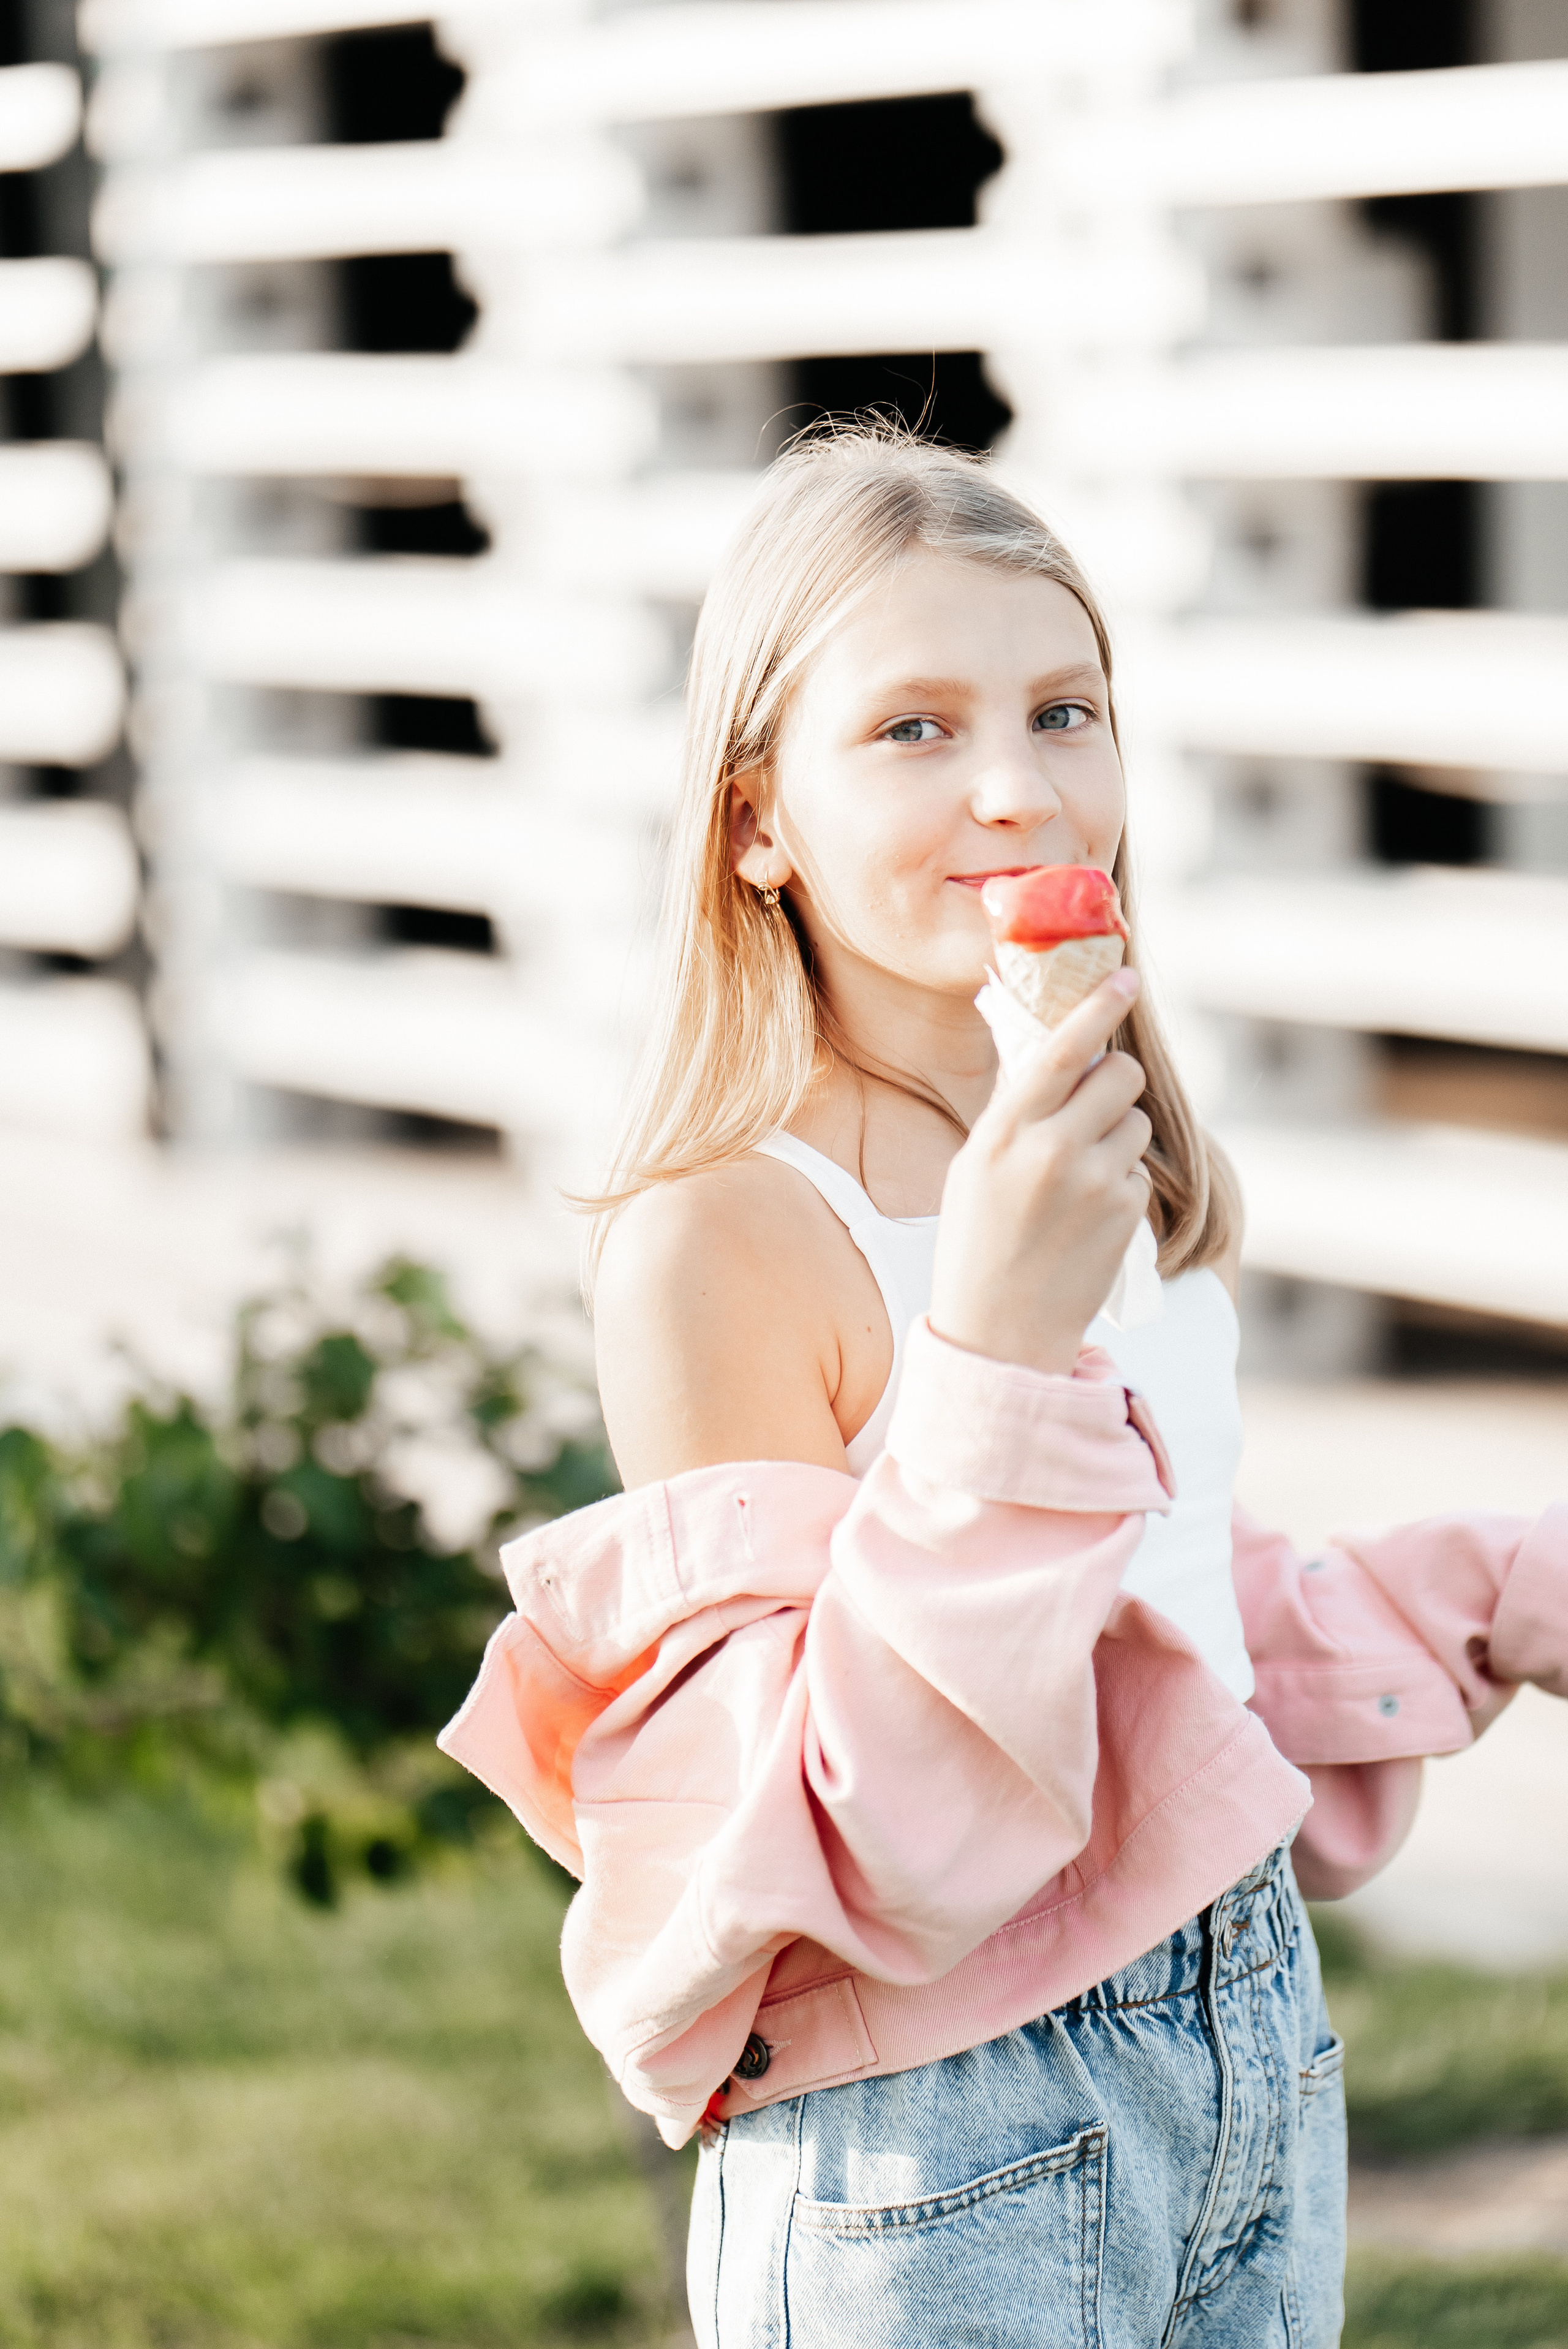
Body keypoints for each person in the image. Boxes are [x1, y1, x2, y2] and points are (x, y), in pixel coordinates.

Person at [440, 425, 1568, 2348]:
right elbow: (829, 1825)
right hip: (930, 2136)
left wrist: (1499, 1585)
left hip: (1245, 2034)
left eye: (1065, 709)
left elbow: (1151, 1635)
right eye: (912, 729)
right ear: (754, 822)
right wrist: (992, 1345)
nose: (1017, 790)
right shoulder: (725, 1236)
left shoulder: (1093, 1163)